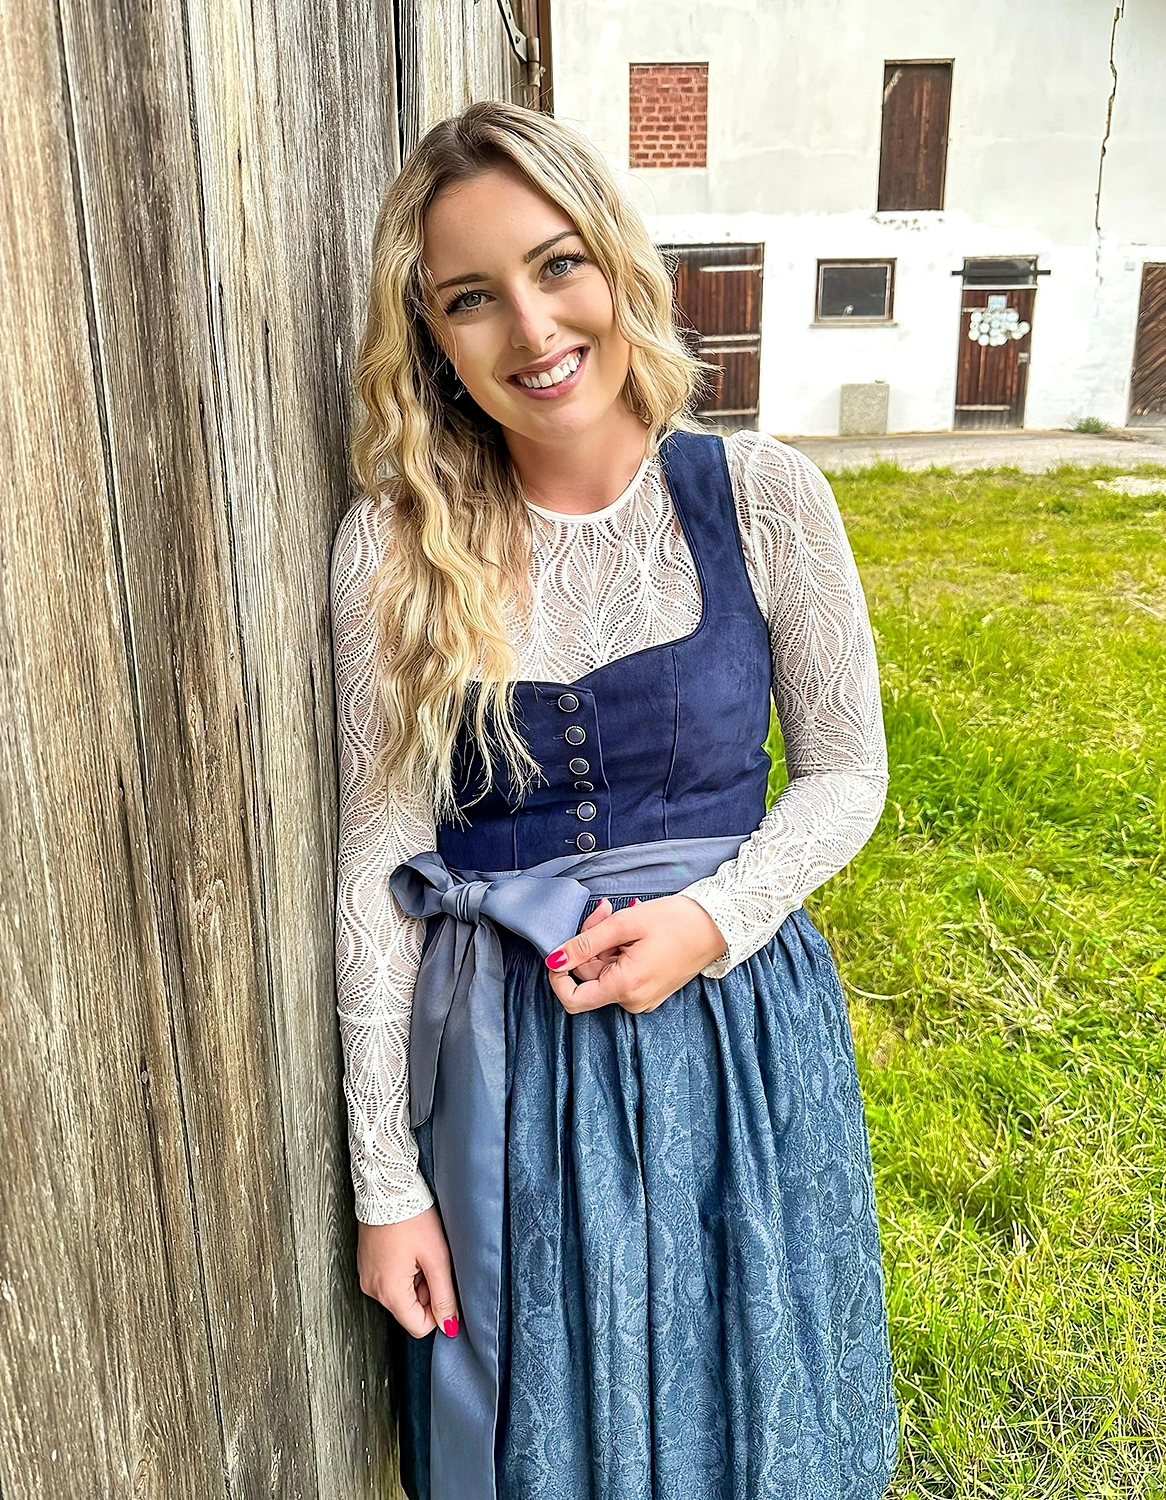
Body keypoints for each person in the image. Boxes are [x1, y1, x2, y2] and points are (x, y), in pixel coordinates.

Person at [330, 99, 899, 1500]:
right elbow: (378, 857)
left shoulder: (761, 496)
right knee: (551, 1417)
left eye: (557, 262)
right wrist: (385, 1183)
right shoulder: (395, 546)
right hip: (507, 1066)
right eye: (473, 297)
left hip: (728, 1032)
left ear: (618, 263)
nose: (531, 328)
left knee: (747, 1390)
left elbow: (848, 773)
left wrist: (713, 918)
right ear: (432, 335)